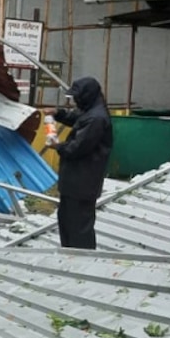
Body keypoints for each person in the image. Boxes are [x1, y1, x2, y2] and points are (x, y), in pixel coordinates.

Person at [47, 76, 112, 249]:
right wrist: (58, 113)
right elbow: (75, 118)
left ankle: (82, 260)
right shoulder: (89, 110)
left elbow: (76, 148)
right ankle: (68, 255)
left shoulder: (96, 118)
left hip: (83, 181)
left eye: (76, 97)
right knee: (67, 221)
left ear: (86, 95)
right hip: (74, 180)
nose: (75, 101)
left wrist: (58, 146)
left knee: (79, 226)